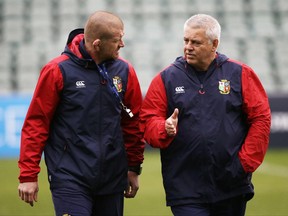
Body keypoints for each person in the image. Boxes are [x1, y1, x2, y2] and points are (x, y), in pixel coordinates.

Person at [140, 14, 271, 216]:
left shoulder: (240, 73)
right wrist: (163, 128)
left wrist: (244, 163)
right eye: (186, 40)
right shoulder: (166, 78)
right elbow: (148, 121)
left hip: (231, 182)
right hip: (185, 187)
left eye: (196, 42)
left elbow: (261, 118)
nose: (188, 47)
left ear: (214, 44)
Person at [18, 10, 145, 216]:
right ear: (97, 44)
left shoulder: (125, 71)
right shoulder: (57, 70)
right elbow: (37, 124)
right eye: (117, 40)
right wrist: (28, 175)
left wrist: (133, 167)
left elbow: (132, 123)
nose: (122, 45)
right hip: (70, 176)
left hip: (112, 178)